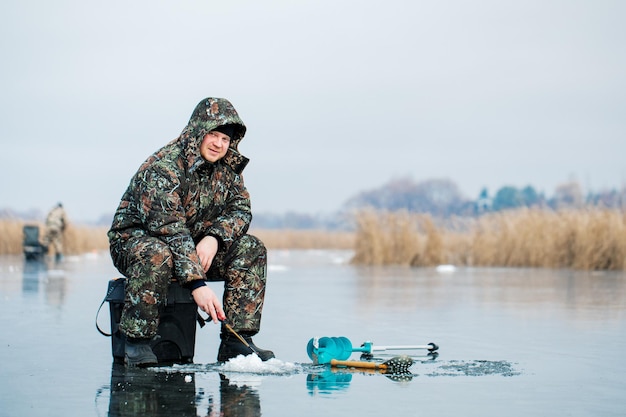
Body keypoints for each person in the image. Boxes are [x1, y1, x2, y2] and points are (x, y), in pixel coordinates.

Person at [108, 97, 274, 367]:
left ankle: (236, 341)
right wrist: (197, 284)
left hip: (195, 246)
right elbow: (169, 230)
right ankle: (136, 342)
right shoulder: (164, 167)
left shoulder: (228, 170)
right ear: (198, 131)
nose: (219, 144)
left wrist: (214, 238)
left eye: (225, 139)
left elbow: (240, 211)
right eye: (213, 134)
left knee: (251, 249)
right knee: (157, 253)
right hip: (138, 243)